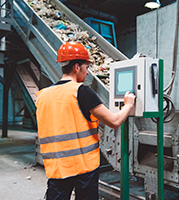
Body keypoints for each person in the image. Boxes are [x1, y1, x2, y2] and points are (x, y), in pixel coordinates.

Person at [35, 41, 136, 200]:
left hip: (57, 168)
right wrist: (128, 105)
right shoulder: (81, 91)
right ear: (76, 67)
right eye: (87, 67)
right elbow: (114, 121)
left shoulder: (42, 95)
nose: (88, 73)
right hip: (83, 167)